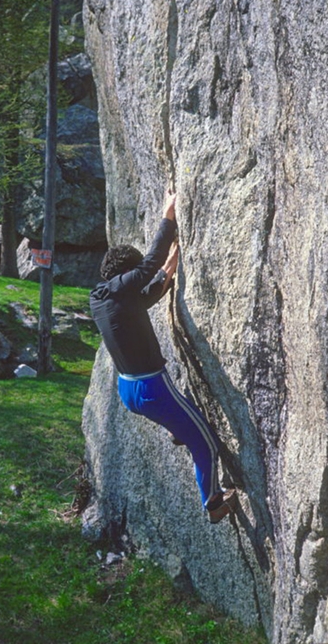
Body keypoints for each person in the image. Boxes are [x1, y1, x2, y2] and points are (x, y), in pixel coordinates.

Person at [90, 192, 237, 523]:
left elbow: (153, 286)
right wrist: (168, 216)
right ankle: (213, 503)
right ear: (125, 274)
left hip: (130, 391)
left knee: (184, 424)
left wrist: (173, 261)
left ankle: (178, 429)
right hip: (153, 388)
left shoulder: (103, 300)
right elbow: (151, 263)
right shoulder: (120, 289)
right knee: (208, 445)